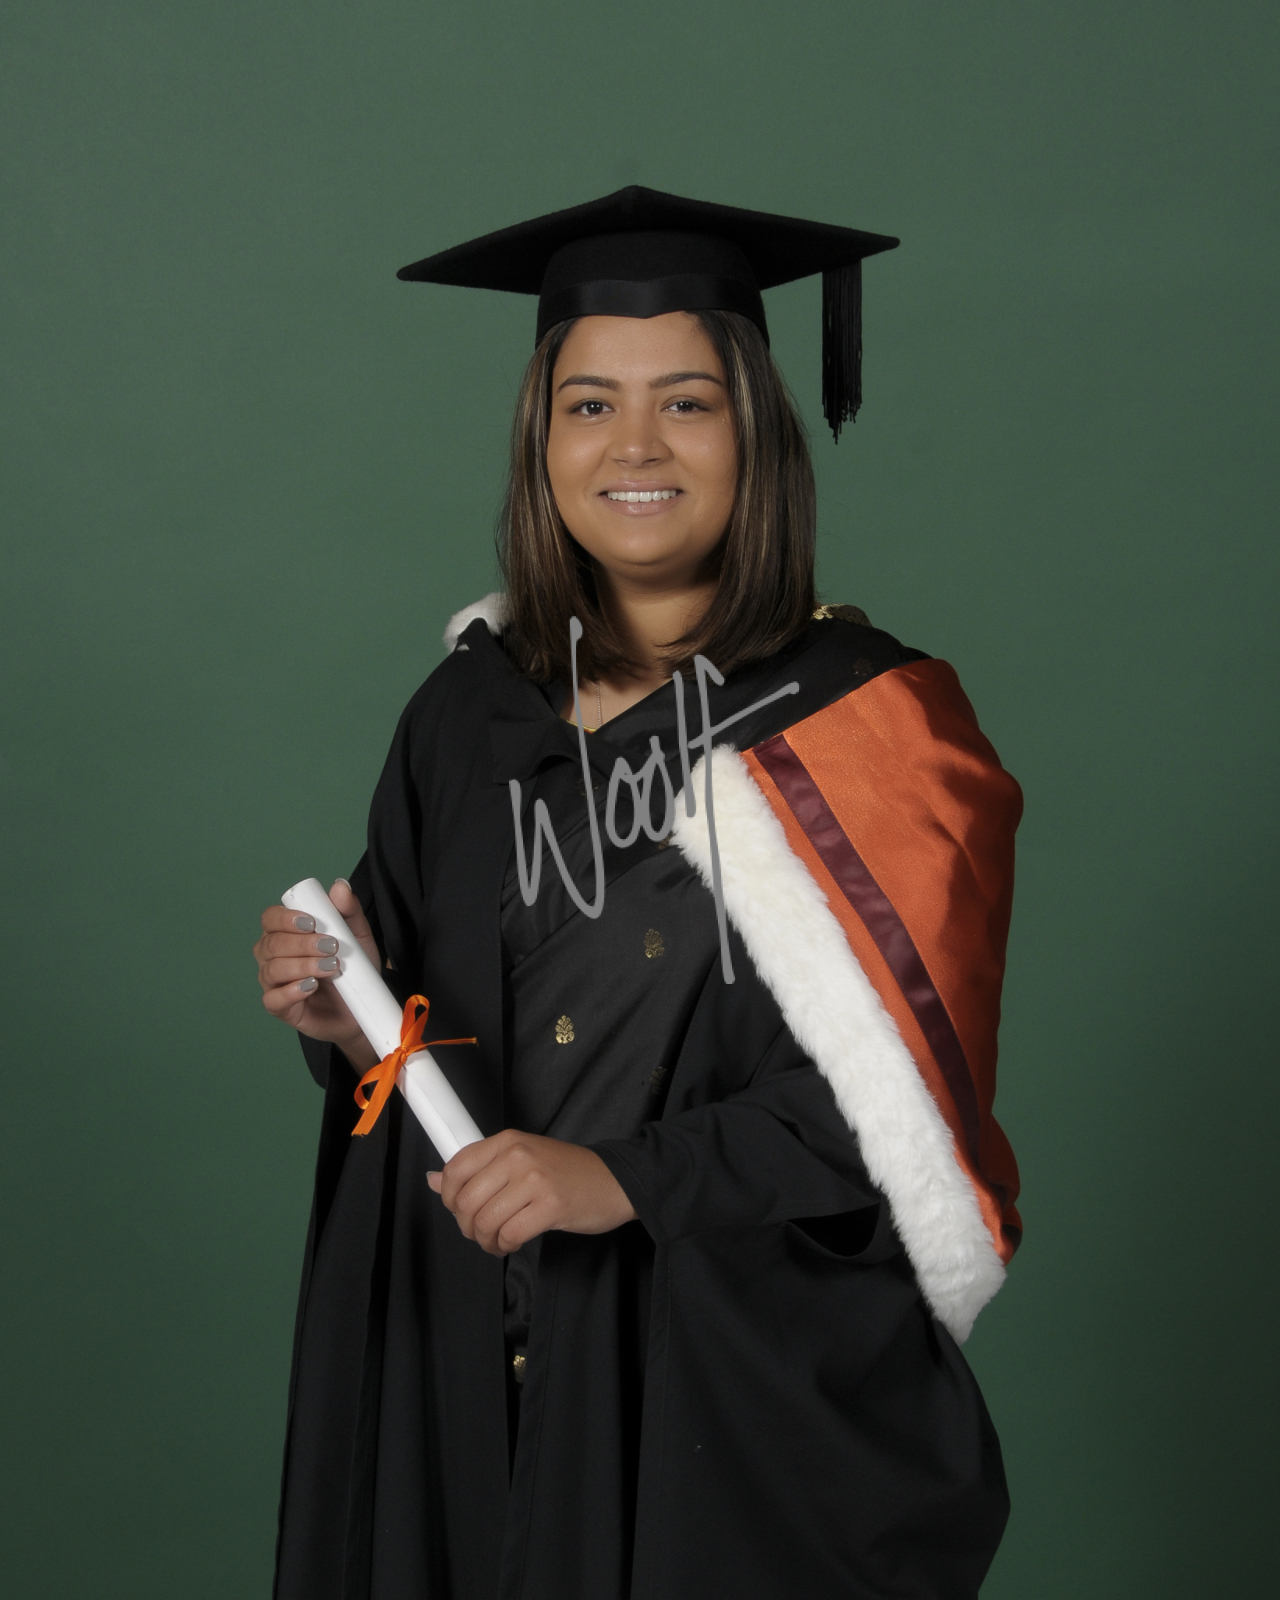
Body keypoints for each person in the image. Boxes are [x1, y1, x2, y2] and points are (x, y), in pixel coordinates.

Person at [253, 187, 1023, 1600]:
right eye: (590, 405)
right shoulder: (465, 714)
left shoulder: (875, 730)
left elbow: (906, 1123)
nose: (635, 447)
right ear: (540, 441)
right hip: (463, 1366)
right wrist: (343, 1017)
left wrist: (620, 1177)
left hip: (719, 1397)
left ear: (758, 435)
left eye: (688, 403)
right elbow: (422, 1035)